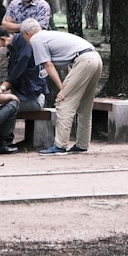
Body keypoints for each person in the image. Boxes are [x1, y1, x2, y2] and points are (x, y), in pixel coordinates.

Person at [20, 18, 103, 155]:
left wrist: (62, 90)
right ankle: (82, 144)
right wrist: (67, 86)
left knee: (63, 103)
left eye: (24, 38)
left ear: (27, 34)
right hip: (94, 58)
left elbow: (48, 65)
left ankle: (60, 145)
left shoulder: (36, 39)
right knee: (85, 105)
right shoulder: (50, 36)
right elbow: (66, 66)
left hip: (83, 61)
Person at [0, 24, 47, 111]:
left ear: (2, 39)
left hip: (33, 99)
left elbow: (19, 69)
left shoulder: (24, 42)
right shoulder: (13, 49)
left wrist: (2, 88)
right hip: (23, 97)